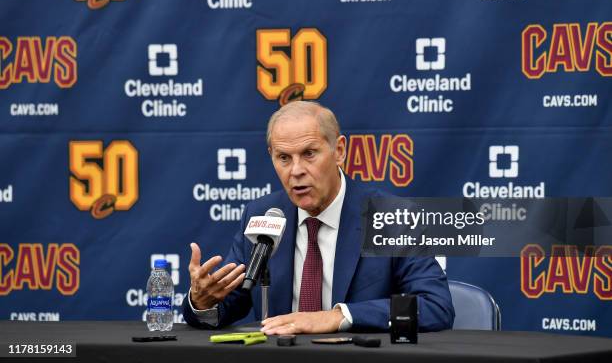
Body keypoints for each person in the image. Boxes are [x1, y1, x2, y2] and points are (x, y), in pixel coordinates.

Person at [183, 101, 454, 334]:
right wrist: (202, 302)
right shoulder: (262, 216)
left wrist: (338, 316)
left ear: (339, 151)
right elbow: (229, 303)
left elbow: (434, 307)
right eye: (284, 158)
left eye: (309, 154)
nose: (296, 170)